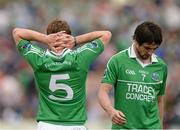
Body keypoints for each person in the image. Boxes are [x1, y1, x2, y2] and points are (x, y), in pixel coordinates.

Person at [12, 19, 112, 130]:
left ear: (49, 37)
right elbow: (106, 35)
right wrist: (75, 40)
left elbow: (17, 33)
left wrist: (44, 39)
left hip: (47, 124)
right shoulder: (79, 58)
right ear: (68, 36)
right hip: (75, 124)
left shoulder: (39, 59)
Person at [98, 21, 168, 129]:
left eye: (154, 49)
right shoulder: (118, 60)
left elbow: (159, 101)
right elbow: (103, 92)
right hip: (123, 127)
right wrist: (111, 111)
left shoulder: (161, 66)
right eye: (147, 48)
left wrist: (161, 127)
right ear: (136, 41)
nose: (150, 52)